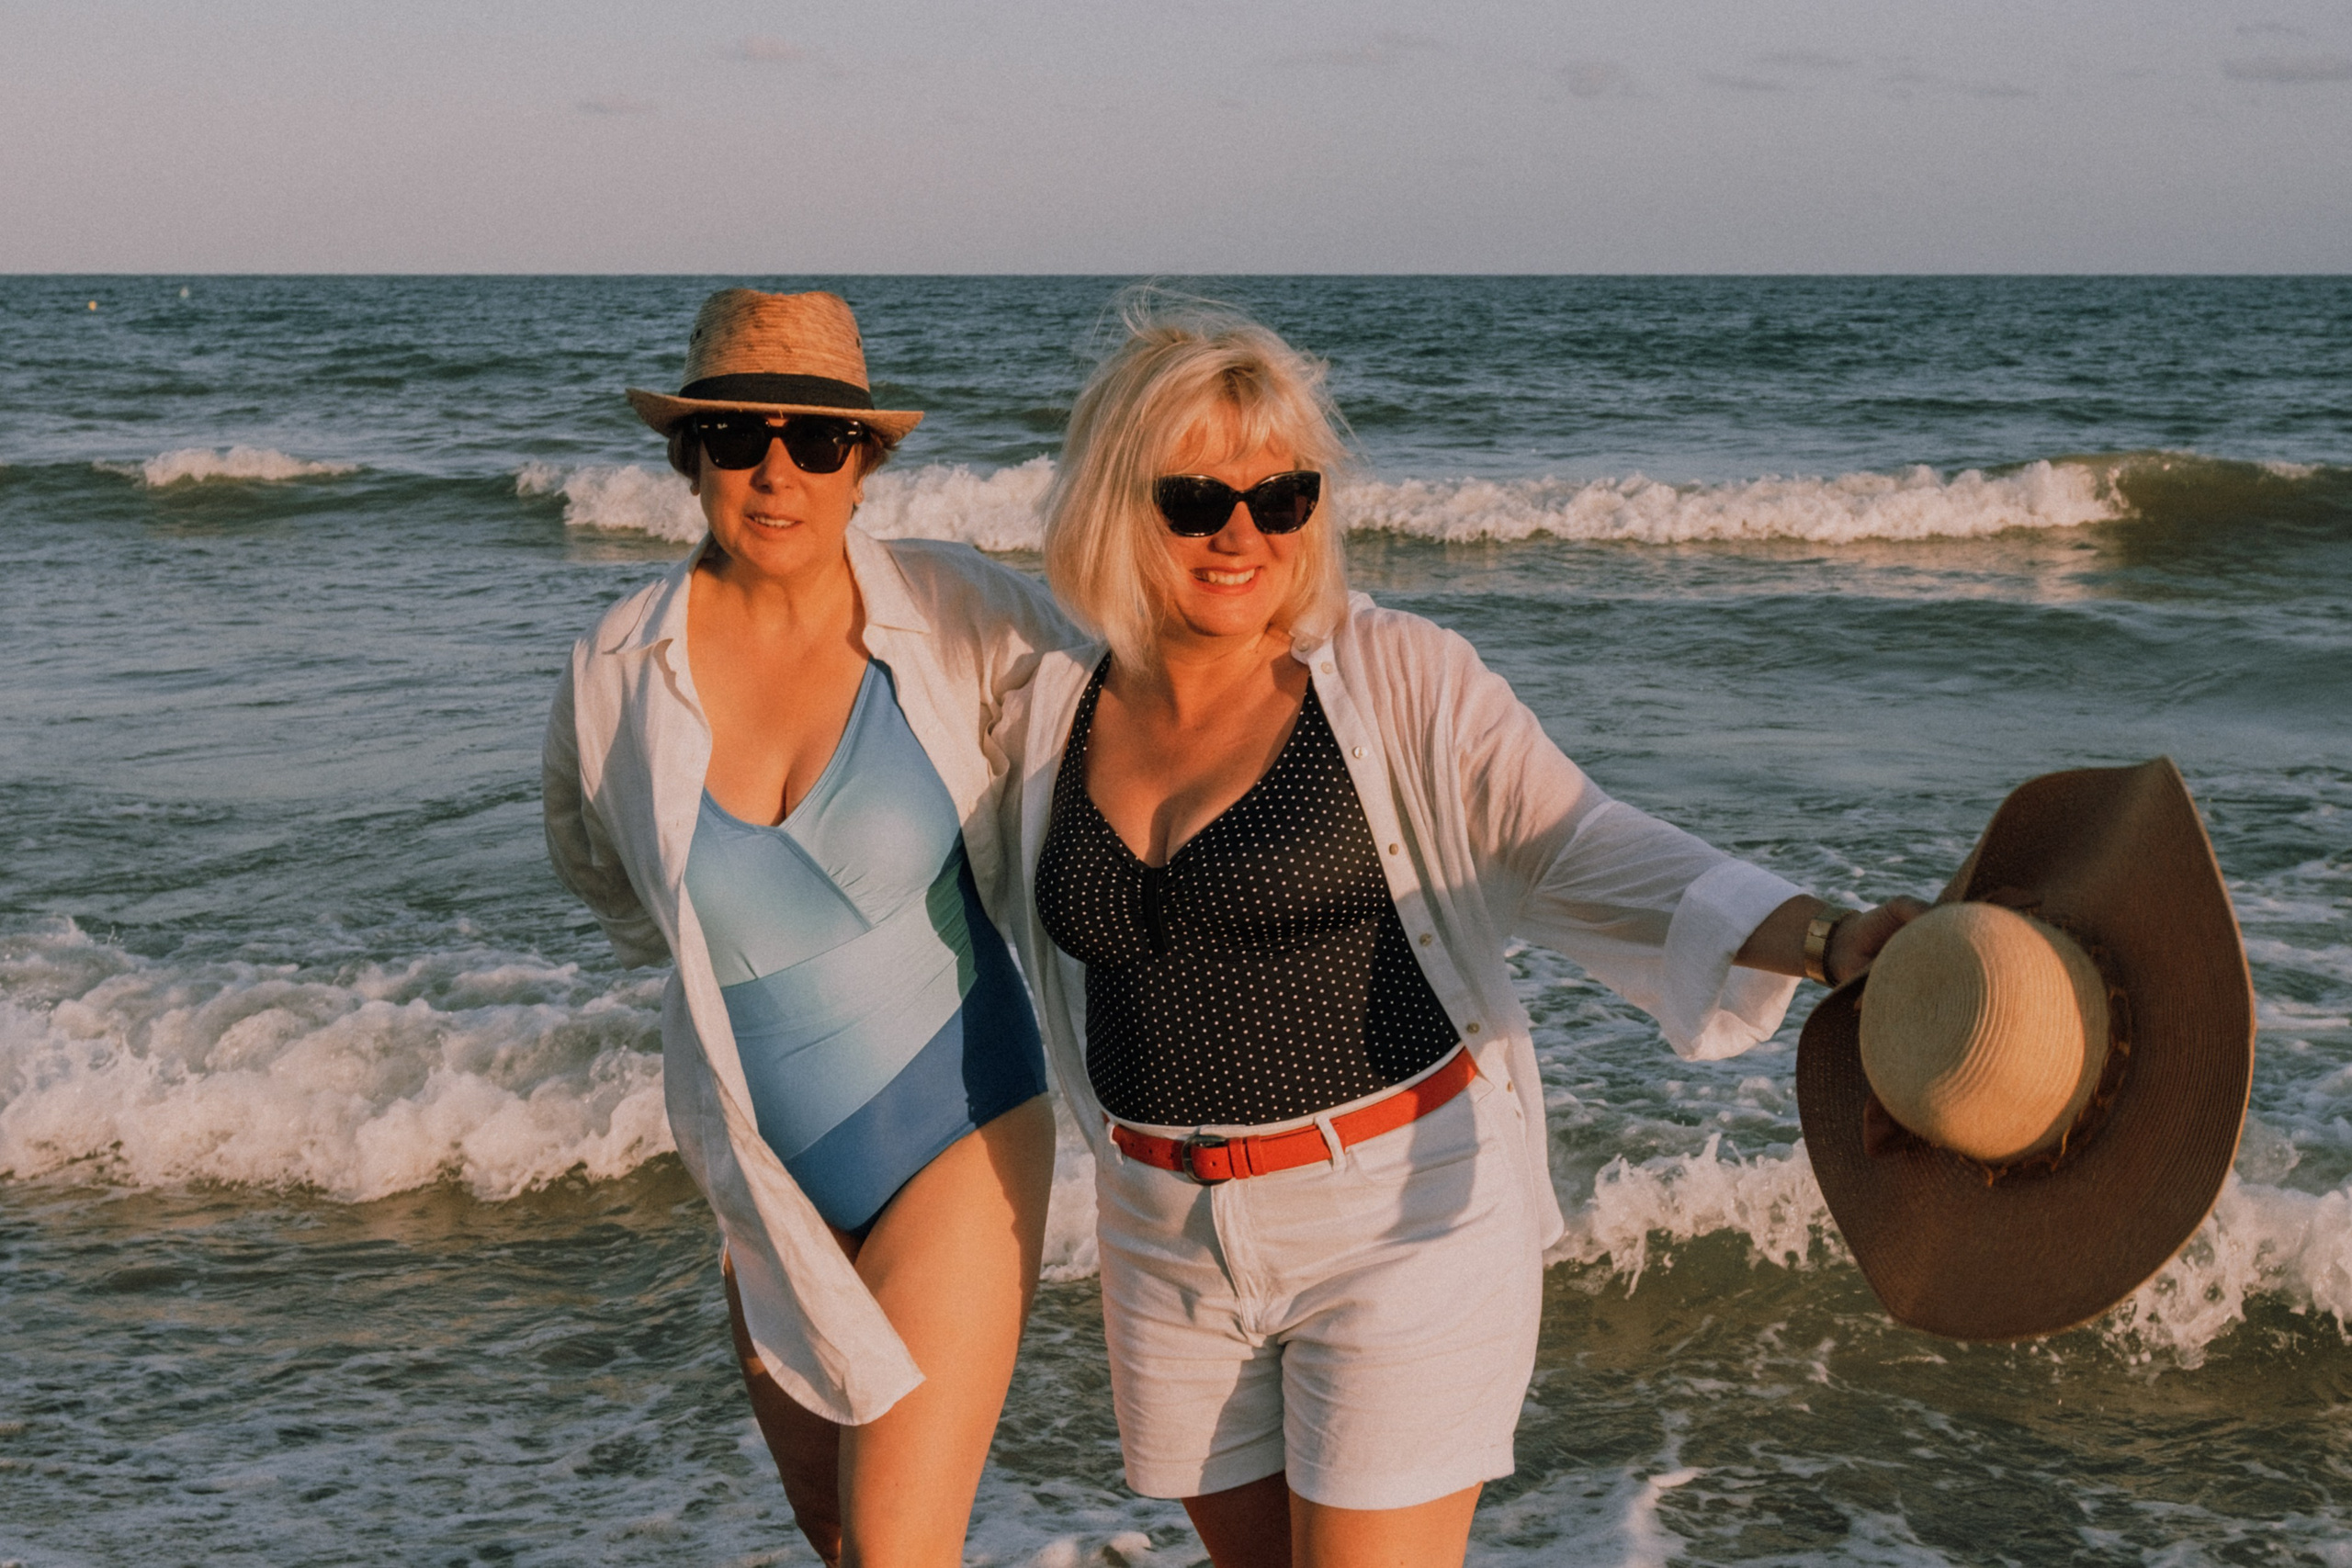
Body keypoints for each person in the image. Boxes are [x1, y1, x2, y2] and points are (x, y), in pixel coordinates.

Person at [993, 296, 1927, 1567]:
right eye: (1194, 498)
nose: (1242, 534)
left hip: (1398, 1214)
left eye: (1283, 498)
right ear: (1114, 500)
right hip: (1161, 1238)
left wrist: (1826, 939)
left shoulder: (1396, 679)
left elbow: (1581, 845)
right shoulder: (1045, 711)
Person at [542, 288, 1074, 1565]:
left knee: (898, 1550)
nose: (776, 470)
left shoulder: (964, 619)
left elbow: (1132, 747)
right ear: (691, 459)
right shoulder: (617, 670)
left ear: (864, 465)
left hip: (963, 1129)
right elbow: (609, 881)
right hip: (764, 1186)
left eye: (818, 441)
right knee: (840, 1533)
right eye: (737, 438)